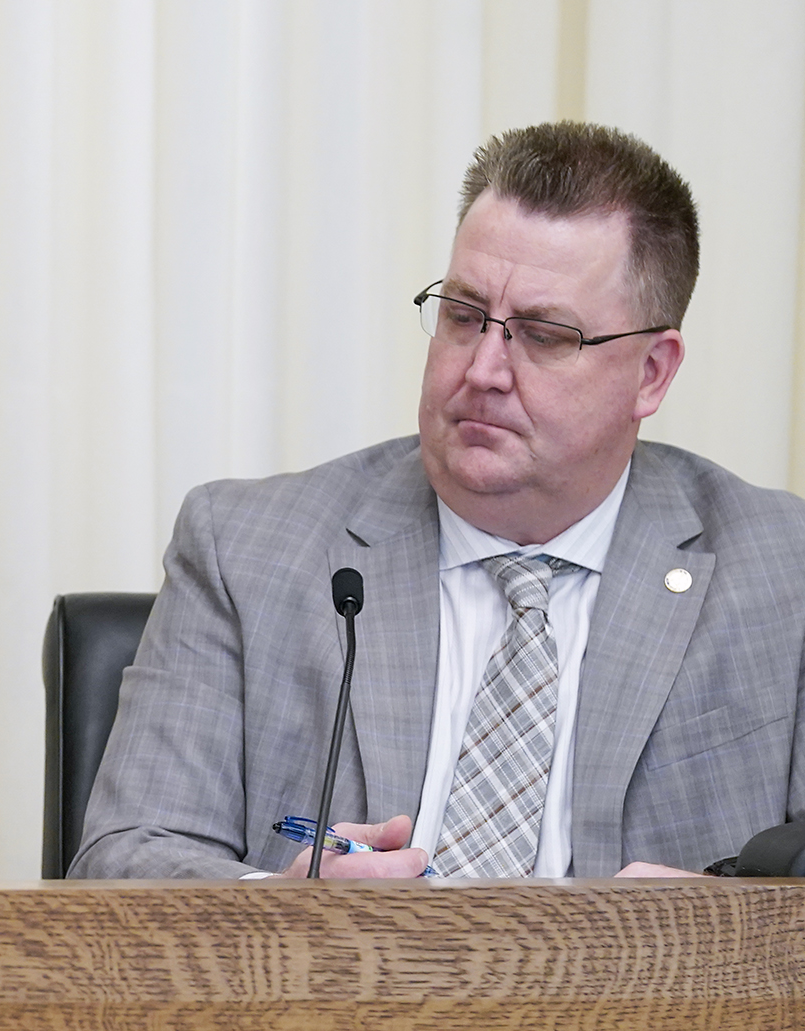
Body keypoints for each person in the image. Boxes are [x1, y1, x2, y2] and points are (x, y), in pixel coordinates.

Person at [72, 121, 805, 880]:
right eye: (462, 315)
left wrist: (727, 932)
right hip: (331, 999)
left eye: (544, 334)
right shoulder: (243, 548)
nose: (484, 368)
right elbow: (124, 858)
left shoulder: (784, 574)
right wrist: (286, 910)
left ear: (652, 372)